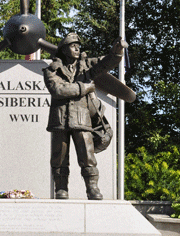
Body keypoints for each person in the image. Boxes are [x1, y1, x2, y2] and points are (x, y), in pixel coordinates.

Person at [43, 33, 127, 200]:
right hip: (59, 120)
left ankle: (92, 188)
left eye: (78, 45)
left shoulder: (87, 66)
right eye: (72, 45)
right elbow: (58, 90)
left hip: (82, 119)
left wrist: (116, 53)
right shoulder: (52, 69)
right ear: (64, 49)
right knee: (59, 158)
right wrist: (84, 88)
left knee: (88, 156)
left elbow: (105, 63)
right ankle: (61, 188)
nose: (77, 48)